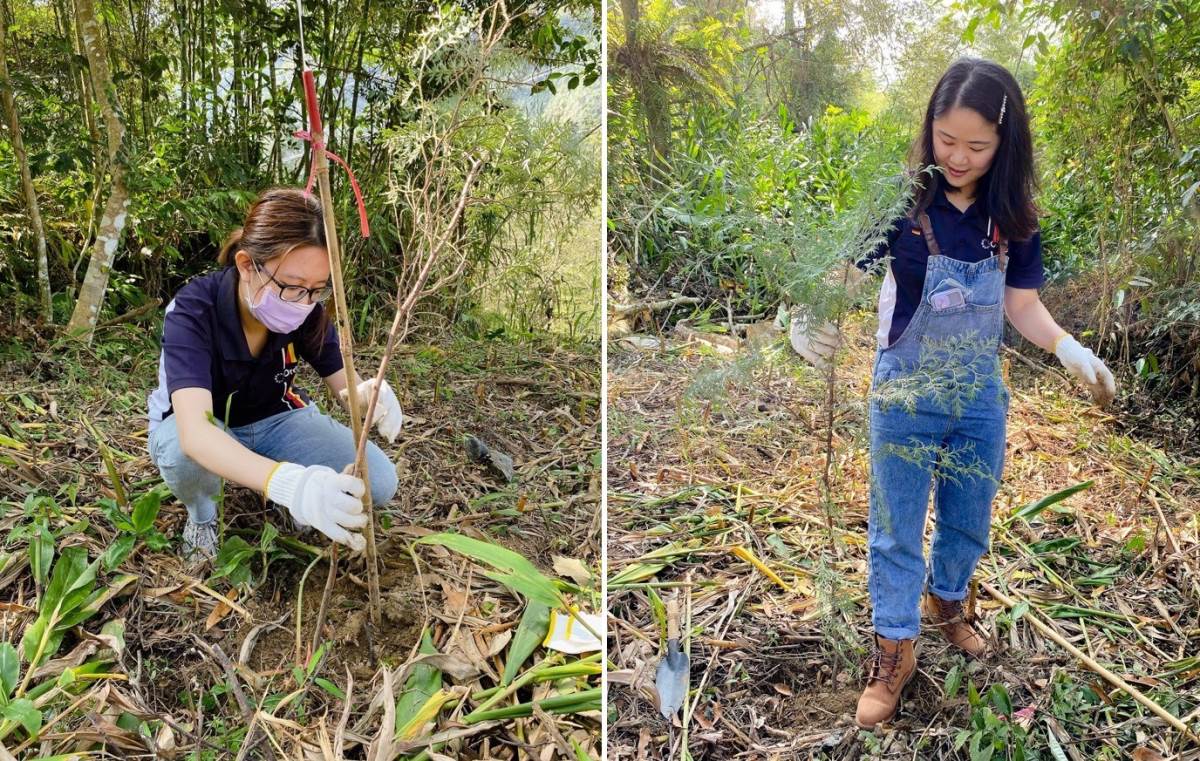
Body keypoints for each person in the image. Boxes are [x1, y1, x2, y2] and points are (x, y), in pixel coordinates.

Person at [789, 58, 1116, 730]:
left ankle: (948, 602)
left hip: (977, 397)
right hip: (904, 393)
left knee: (968, 517)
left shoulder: (1014, 217)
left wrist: (1067, 348)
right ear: (929, 128)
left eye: (976, 145)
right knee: (895, 528)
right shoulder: (903, 202)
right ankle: (894, 649)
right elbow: (848, 272)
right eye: (946, 139)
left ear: (1004, 144)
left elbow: (1022, 305)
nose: (958, 157)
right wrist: (809, 312)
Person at [146, 187, 403, 563]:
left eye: (316, 290)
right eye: (292, 287)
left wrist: (367, 395)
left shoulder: (307, 310)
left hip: (275, 420)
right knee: (184, 453)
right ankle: (202, 516)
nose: (303, 302)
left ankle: (287, 491)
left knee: (377, 481)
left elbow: (344, 387)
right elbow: (196, 432)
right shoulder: (193, 311)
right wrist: (288, 483)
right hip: (205, 425)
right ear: (247, 264)